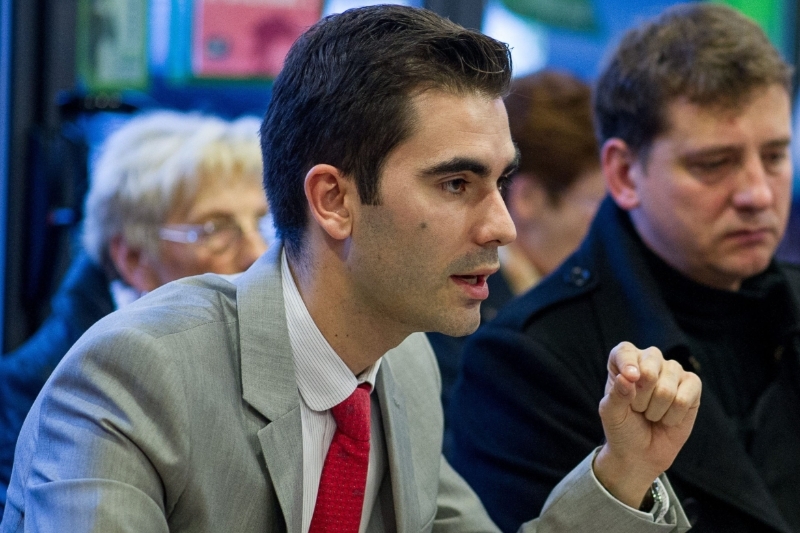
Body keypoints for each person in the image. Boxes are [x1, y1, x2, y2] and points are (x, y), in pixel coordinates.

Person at [2, 6, 699, 532]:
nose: (502, 225)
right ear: (333, 200)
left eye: (499, 182)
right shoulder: (136, 371)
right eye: (456, 184)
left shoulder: (404, 369)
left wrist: (623, 469)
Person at [448, 4, 799, 533]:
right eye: (713, 164)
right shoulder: (527, 360)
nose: (756, 193)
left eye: (774, 157)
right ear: (623, 172)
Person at [0, 111, 269, 510]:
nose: (257, 253)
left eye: (262, 224)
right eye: (215, 229)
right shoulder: (33, 389)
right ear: (134, 258)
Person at [428, 70, 605, 412]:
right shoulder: (455, 314)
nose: (607, 227)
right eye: (598, 205)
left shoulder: (570, 300)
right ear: (530, 200)